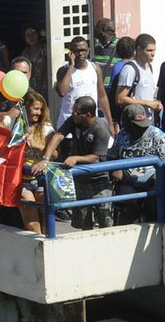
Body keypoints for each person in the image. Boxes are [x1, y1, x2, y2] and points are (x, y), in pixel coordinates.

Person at [33, 96, 113, 230]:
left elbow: (97, 157)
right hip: (80, 178)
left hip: (99, 180)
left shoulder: (101, 129)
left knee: (105, 219)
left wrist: (76, 158)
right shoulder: (74, 120)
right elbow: (58, 136)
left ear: (88, 114)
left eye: (76, 112)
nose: (73, 114)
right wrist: (46, 159)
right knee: (83, 220)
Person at [108, 104, 165, 225]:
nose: (141, 128)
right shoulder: (122, 135)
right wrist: (116, 168)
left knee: (153, 205)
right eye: (136, 125)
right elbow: (112, 155)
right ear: (127, 123)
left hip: (151, 180)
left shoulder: (158, 136)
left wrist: (157, 177)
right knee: (126, 207)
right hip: (127, 180)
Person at [55, 36, 114, 132]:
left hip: (90, 124)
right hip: (68, 125)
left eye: (84, 51)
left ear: (88, 51)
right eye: (77, 51)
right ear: (71, 52)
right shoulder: (64, 70)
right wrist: (71, 66)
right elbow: (62, 92)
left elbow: (102, 97)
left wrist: (110, 123)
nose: (81, 54)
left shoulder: (95, 68)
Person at [19, 91, 55, 234]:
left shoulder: (46, 128)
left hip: (41, 179)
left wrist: (37, 145)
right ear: (26, 107)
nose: (39, 113)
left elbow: (56, 154)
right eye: (35, 108)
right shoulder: (16, 126)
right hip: (22, 180)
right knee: (33, 226)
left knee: (47, 225)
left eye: (41, 109)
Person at [115, 33, 163, 121]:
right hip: (134, 121)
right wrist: (147, 103)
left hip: (148, 120)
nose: (153, 54)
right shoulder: (130, 69)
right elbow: (120, 99)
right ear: (139, 49)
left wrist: (155, 103)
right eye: (149, 50)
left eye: (154, 50)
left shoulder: (149, 67)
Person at [21, 25, 48, 98]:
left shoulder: (45, 49)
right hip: (31, 87)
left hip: (45, 85)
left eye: (33, 34)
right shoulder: (25, 52)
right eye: (28, 35)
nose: (31, 37)